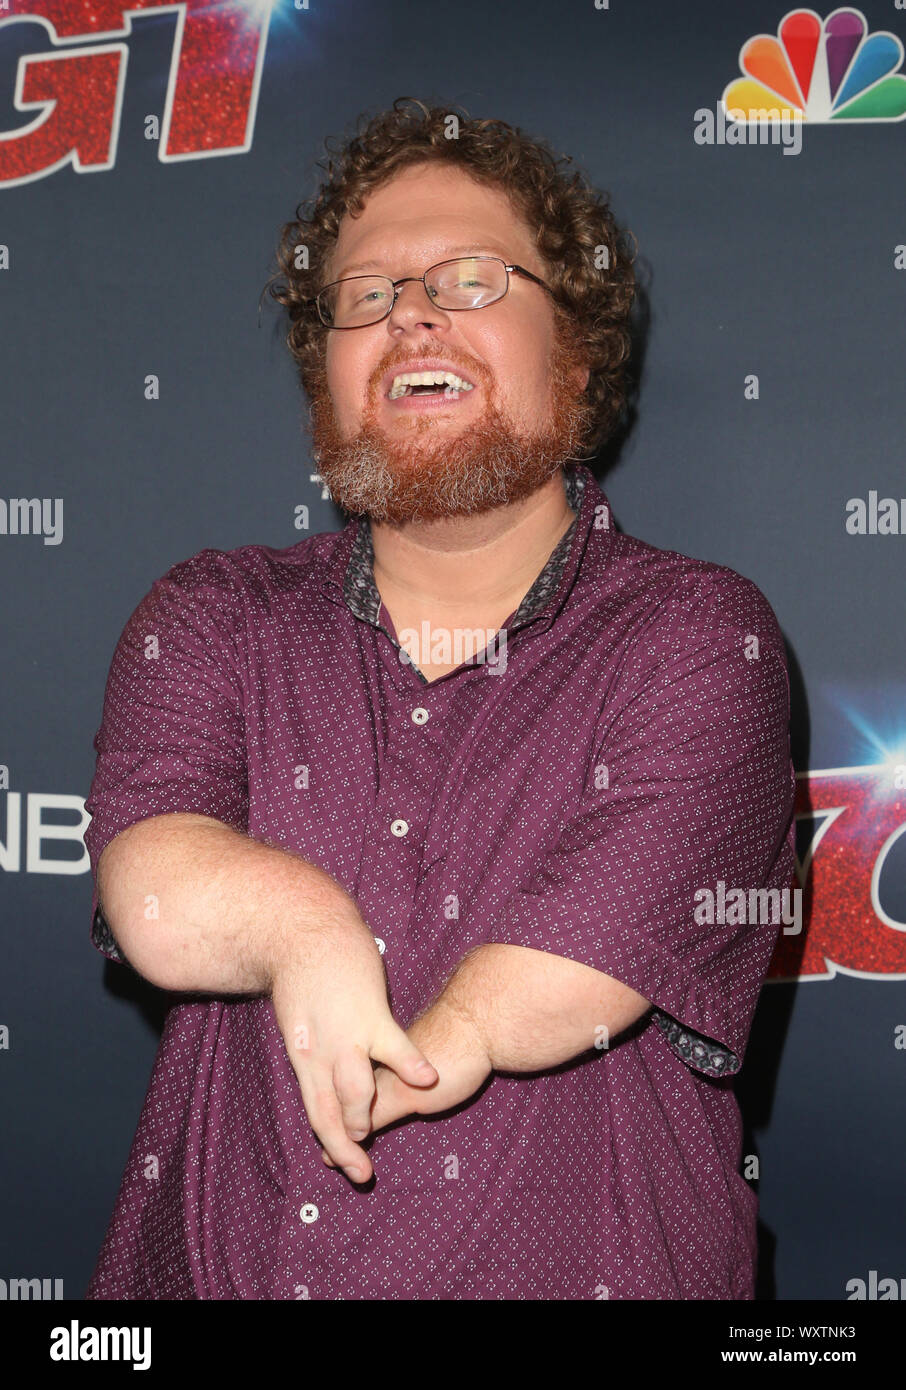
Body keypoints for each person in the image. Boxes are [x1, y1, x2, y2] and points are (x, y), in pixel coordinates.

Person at [83, 98, 795, 1300]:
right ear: (328, 381)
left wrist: (445, 1037)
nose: (408, 310)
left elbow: (587, 956)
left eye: (468, 278)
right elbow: (150, 886)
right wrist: (301, 925)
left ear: (575, 354)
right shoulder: (212, 612)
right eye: (363, 296)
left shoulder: (698, 633)